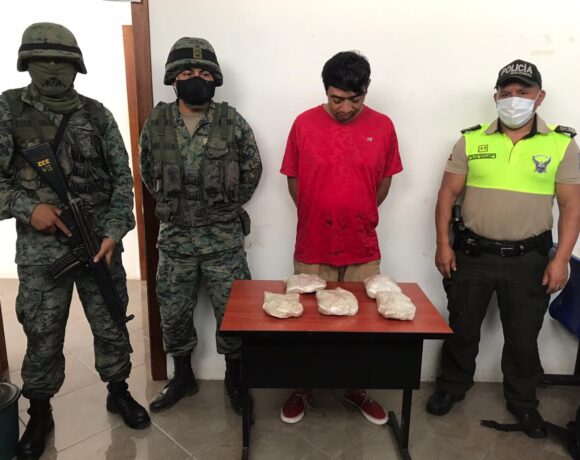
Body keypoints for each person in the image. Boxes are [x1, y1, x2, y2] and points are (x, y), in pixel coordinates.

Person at [0, 22, 150, 459]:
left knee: (110, 320)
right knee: (43, 330)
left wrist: (114, 231)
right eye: (42, 61)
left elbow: (122, 179)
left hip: (99, 243)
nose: (52, 69)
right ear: (27, 63)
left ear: (76, 67)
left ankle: (118, 390)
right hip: (41, 250)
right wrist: (30, 208)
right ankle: (39, 410)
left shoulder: (97, 115)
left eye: (61, 62)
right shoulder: (9, 111)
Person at [427, 59, 580, 438]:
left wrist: (561, 259)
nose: (514, 99)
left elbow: (572, 206)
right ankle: (451, 387)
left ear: (539, 97)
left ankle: (523, 402)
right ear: (496, 96)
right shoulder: (471, 140)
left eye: (523, 93)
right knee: (462, 328)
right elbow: (447, 195)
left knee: (523, 337)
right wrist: (443, 244)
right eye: (506, 93)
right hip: (473, 255)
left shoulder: (561, 144)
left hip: (529, 260)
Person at [279, 51, 403, 425]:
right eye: (336, 99)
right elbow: (294, 179)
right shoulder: (303, 124)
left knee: (362, 323)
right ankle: (304, 387)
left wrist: (359, 213)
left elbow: (384, 180)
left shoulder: (383, 126)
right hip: (312, 241)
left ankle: (355, 387)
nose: (346, 108)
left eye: (355, 99)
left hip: (362, 244)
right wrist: (316, 213)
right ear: (325, 91)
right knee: (307, 321)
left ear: (366, 90)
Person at [139, 37, 262, 415]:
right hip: (175, 241)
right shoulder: (156, 123)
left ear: (215, 79)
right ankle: (183, 377)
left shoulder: (232, 121)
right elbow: (147, 171)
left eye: (204, 74)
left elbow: (252, 170)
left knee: (234, 313)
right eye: (188, 72)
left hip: (223, 240)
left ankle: (235, 378)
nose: (197, 79)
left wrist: (220, 209)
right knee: (174, 313)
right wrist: (179, 208)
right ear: (174, 78)